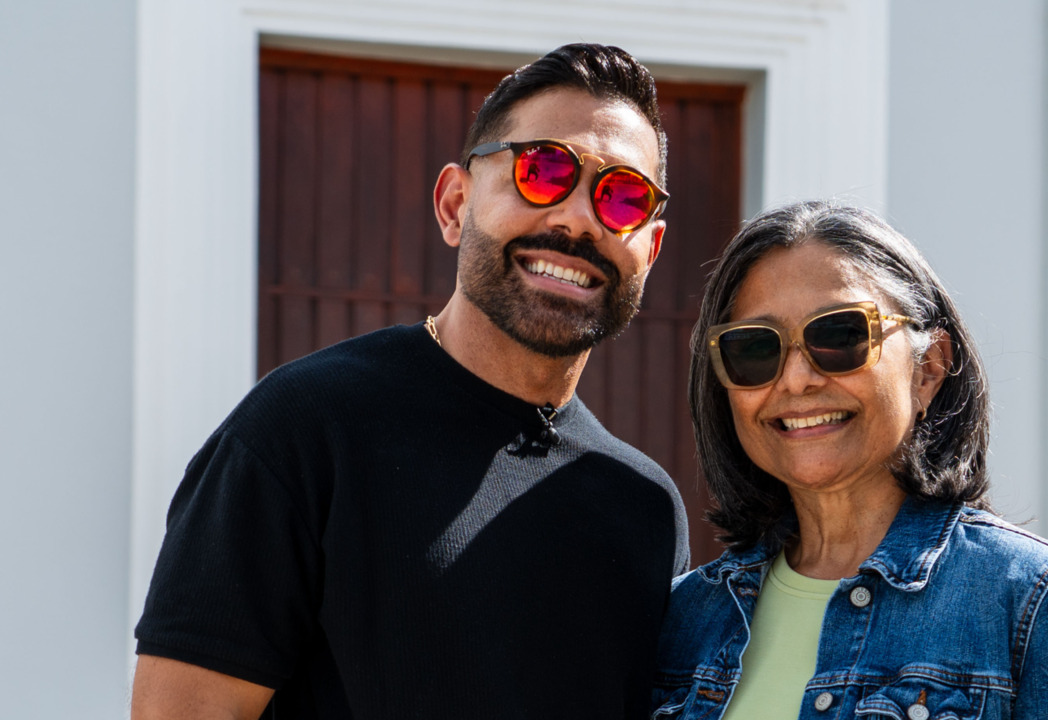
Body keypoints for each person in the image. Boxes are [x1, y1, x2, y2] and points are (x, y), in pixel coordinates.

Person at [132, 43, 689, 720]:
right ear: (456, 203)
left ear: (650, 251)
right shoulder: (304, 429)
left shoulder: (646, 509)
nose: (576, 218)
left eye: (623, 197)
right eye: (543, 170)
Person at [652, 201, 1048, 719]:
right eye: (754, 349)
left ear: (928, 369)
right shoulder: (686, 618)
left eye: (839, 336)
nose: (796, 379)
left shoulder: (1030, 599)